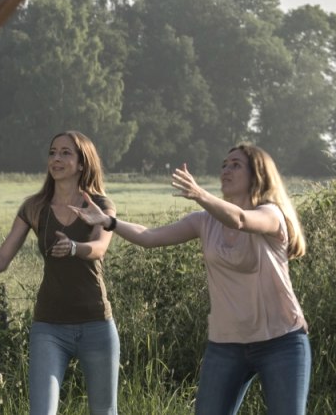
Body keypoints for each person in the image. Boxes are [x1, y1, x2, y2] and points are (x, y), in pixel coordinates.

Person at [72, 144, 310, 415]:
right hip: (227, 344)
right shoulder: (204, 222)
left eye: (235, 165)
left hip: (280, 341)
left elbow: (241, 220)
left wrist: (199, 193)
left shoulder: (271, 214)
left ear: (258, 175)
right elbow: (149, 236)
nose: (226, 170)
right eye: (224, 164)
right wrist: (108, 221)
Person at [0, 131, 120, 415]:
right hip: (49, 327)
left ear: (82, 163)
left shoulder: (100, 206)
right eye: (53, 152)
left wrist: (75, 247)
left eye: (66, 153)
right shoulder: (35, 207)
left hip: (96, 325)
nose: (56, 158)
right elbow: (2, 257)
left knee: (104, 411)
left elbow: (100, 247)